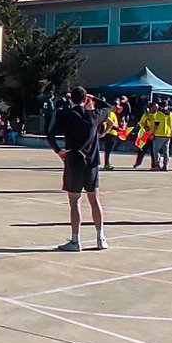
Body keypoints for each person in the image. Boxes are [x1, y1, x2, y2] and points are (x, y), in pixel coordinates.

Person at [47, 86, 110, 251]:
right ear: (85, 100)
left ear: (70, 99)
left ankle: (76, 240)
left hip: (74, 161)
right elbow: (108, 107)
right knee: (94, 200)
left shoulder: (67, 115)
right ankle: (100, 237)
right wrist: (92, 97)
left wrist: (59, 151)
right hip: (91, 163)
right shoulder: (93, 115)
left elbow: (50, 135)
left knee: (74, 201)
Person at [99, 98, 121, 170]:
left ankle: (107, 162)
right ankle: (106, 163)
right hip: (109, 133)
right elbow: (108, 124)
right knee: (108, 150)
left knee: (109, 150)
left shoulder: (113, 113)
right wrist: (117, 128)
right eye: (116, 107)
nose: (117, 108)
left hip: (113, 133)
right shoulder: (109, 113)